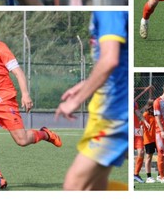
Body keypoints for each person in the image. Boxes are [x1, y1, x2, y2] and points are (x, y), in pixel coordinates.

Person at [0, 15, 62, 189]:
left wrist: (25, 94)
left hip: (5, 103)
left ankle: (45, 134)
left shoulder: (1, 48)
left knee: (22, 140)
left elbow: (19, 73)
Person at [55, 11, 128, 190]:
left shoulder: (109, 7)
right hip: (110, 109)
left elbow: (110, 60)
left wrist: (77, 100)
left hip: (114, 113)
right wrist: (88, 83)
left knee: (74, 186)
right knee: (94, 188)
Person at [134, 101, 149, 183]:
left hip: (136, 129)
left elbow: (138, 113)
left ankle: (136, 174)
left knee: (141, 151)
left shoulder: (134, 102)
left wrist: (145, 122)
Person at [142, 99, 157, 183]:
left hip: (157, 138)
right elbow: (142, 126)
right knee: (149, 157)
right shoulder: (146, 114)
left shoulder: (156, 114)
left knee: (160, 156)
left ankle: (160, 175)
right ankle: (148, 177)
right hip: (149, 139)